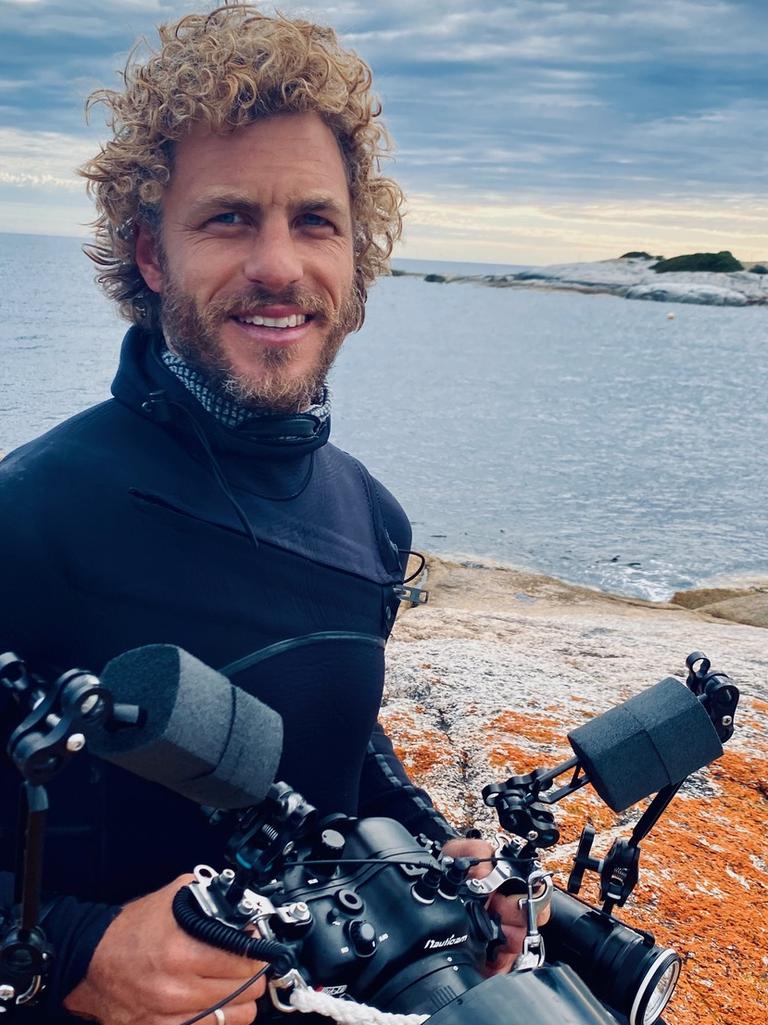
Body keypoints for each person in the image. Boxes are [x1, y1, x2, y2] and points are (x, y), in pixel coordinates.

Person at [0, 6, 545, 1024]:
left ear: (355, 253)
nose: (280, 266)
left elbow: (338, 757)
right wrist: (78, 955)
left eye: (314, 221)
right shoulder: (30, 514)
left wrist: (439, 866)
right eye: (228, 217)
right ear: (151, 255)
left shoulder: (371, 515)